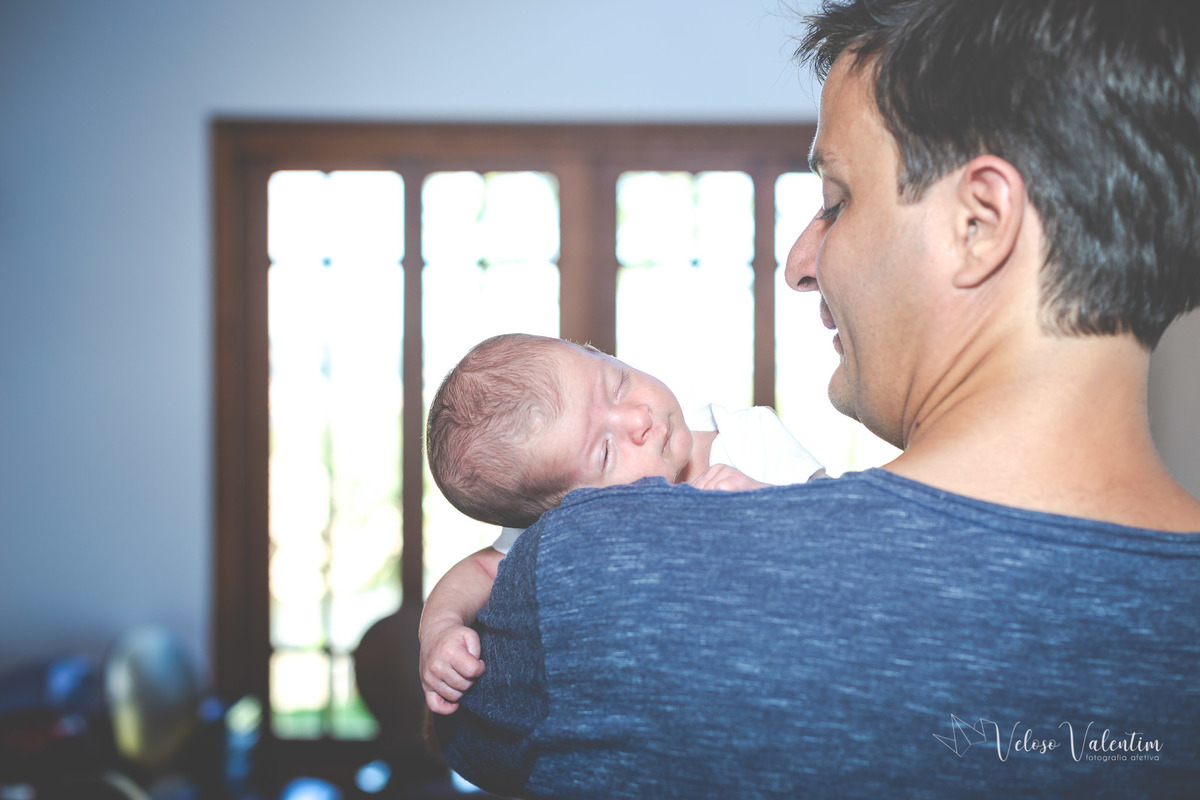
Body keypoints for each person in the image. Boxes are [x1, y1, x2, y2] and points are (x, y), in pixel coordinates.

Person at [434, 1, 1200, 796]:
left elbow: (462, 723)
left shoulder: (603, 569)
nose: (800, 261)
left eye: (836, 200)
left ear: (981, 222)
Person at [420, 333, 825, 714]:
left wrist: (767, 501)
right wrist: (439, 629)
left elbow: (841, 521)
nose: (638, 418)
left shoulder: (748, 438)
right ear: (568, 509)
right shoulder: (578, 526)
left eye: (617, 382)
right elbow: (480, 568)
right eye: (606, 452)